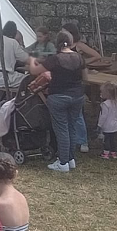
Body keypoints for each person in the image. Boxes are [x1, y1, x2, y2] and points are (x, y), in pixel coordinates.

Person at [29, 30, 87, 173]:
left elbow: (34, 71)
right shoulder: (79, 58)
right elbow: (85, 77)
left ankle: (62, 162)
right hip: (77, 96)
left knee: (61, 130)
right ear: (71, 42)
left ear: (57, 43)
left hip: (58, 96)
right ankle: (71, 159)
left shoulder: (55, 59)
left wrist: (32, 59)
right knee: (72, 128)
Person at [62, 22, 99, 153]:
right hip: (65, 79)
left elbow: (97, 56)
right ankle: (71, 139)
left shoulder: (79, 45)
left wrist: (83, 62)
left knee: (77, 114)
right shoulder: (62, 46)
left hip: (77, 79)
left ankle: (83, 141)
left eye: (64, 31)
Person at [97, 82, 117, 160]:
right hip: (115, 125)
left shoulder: (105, 104)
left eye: (102, 92)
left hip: (107, 126)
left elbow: (103, 116)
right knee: (113, 140)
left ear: (107, 94)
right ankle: (113, 153)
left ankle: (106, 153)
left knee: (106, 140)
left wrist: (99, 125)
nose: (101, 94)